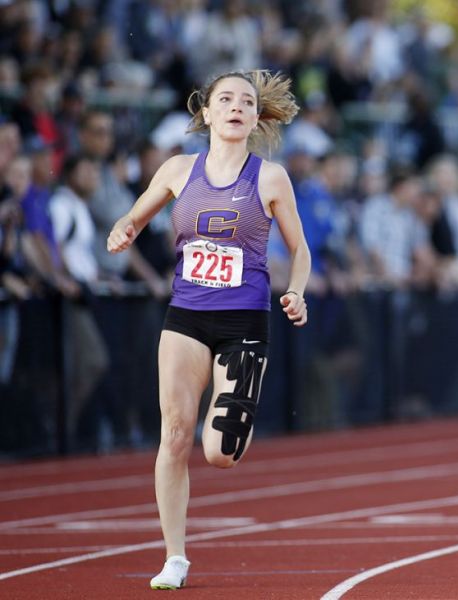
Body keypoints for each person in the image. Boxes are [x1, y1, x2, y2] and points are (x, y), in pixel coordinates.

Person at [106, 69, 310, 590]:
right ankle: (175, 556)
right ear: (207, 112)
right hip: (186, 317)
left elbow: (300, 249)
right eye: (226, 99)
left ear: (256, 116)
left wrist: (297, 291)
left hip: (244, 320)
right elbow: (135, 216)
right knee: (173, 435)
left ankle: (234, 406)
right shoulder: (178, 170)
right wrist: (124, 227)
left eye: (246, 101)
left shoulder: (270, 177)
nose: (236, 107)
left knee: (220, 453)